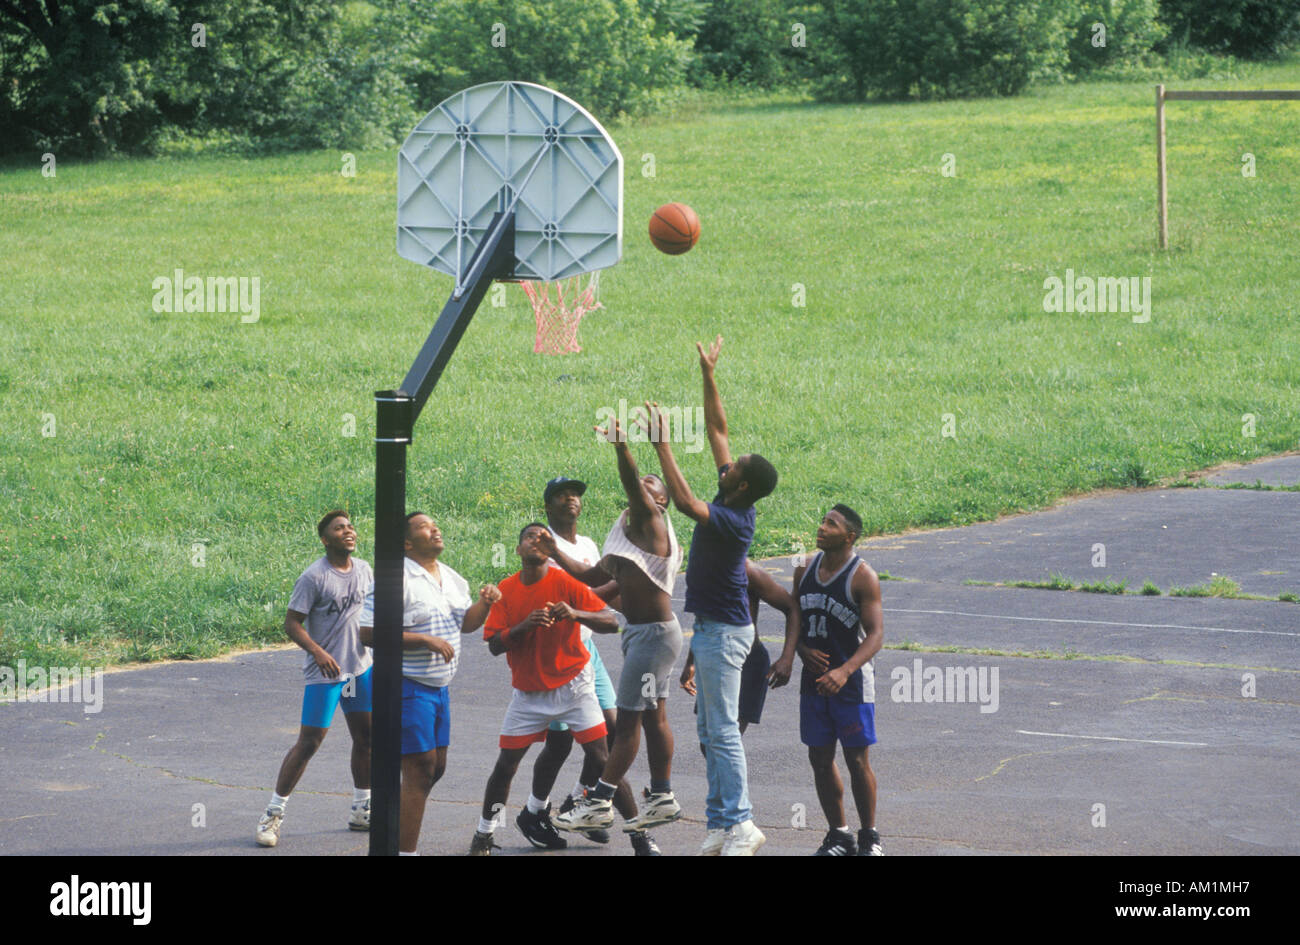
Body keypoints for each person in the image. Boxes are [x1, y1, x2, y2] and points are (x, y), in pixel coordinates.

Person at [647, 335, 793, 856]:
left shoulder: (733, 519)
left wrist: (661, 443)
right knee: (710, 731)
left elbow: (683, 501)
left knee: (724, 731)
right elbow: (717, 430)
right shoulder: (734, 490)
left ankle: (743, 824)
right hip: (710, 631)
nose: (727, 464)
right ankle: (719, 823)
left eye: (736, 466)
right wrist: (708, 373)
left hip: (728, 635)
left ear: (743, 487)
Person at [549, 418, 685, 846]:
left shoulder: (651, 523)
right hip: (648, 638)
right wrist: (553, 548)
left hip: (653, 638)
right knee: (653, 714)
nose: (642, 492)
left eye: (650, 489)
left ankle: (599, 799)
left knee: (626, 726)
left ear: (659, 504)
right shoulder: (627, 537)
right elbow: (592, 578)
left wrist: (622, 446)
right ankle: (661, 794)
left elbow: (631, 483)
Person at [469, 523, 623, 856]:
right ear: (518, 550)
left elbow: (611, 622)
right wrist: (523, 627)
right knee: (506, 766)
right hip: (529, 694)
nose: (536, 541)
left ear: (551, 547)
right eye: (529, 537)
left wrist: (576, 613)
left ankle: (631, 831)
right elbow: (494, 645)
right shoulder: (506, 590)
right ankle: (484, 833)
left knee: (604, 755)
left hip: (573, 686)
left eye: (543, 537)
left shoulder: (565, 582)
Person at [358, 513, 497, 856]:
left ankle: (395, 824)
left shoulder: (451, 577)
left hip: (439, 688)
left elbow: (465, 624)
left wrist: (486, 604)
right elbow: (367, 633)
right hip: (407, 685)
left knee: (435, 768)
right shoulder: (396, 578)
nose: (435, 529)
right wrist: (424, 640)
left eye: (435, 525)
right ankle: (405, 852)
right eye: (424, 527)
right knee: (420, 770)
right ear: (406, 543)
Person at [520, 477, 631, 849]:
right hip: (556, 656)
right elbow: (578, 595)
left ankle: (580, 800)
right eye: (562, 495)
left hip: (588, 654)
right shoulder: (539, 543)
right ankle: (535, 811)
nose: (572, 499)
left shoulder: (585, 545)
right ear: (548, 505)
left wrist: (626, 594)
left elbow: (592, 596)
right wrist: (611, 589)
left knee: (612, 733)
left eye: (577, 495)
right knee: (561, 742)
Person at [257, 511, 374, 848]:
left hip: (359, 670)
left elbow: (369, 613)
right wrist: (317, 652)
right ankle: (272, 814)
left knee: (366, 738)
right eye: (339, 528)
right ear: (326, 539)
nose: (348, 530)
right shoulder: (314, 577)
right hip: (327, 674)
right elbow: (292, 623)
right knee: (309, 743)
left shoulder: (365, 569)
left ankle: (361, 809)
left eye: (350, 526)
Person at [794, 504, 884, 856]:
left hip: (852, 682)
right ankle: (839, 835)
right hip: (813, 680)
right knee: (819, 757)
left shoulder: (863, 576)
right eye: (822, 521)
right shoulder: (804, 568)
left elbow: (876, 635)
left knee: (857, 760)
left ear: (849, 536)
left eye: (830, 524)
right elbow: (794, 618)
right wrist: (800, 650)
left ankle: (870, 837)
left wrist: (844, 671)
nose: (821, 527)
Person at [679, 558, 800, 739]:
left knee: (724, 738)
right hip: (714, 660)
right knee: (708, 741)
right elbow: (703, 618)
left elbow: (792, 608)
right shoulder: (705, 568)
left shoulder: (748, 571)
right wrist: (691, 661)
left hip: (747, 663)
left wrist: (787, 657)